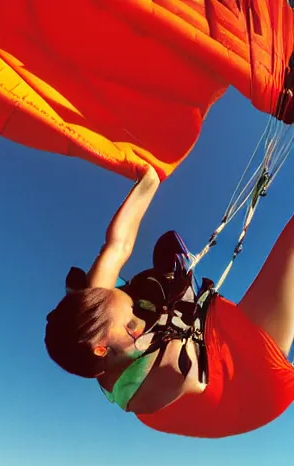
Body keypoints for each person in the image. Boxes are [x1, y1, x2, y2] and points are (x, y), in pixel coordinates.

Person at [44, 166, 294, 438]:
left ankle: (166, 288)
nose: (110, 290)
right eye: (129, 318)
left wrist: (149, 178)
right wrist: (178, 302)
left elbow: (117, 246)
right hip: (243, 391)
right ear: (103, 348)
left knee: (139, 286)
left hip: (176, 338)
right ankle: (171, 297)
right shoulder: (146, 387)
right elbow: (191, 380)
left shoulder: (97, 309)